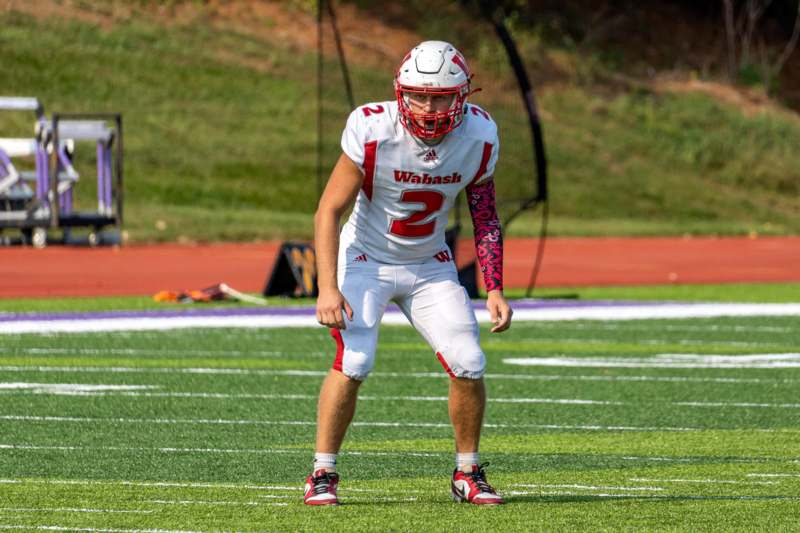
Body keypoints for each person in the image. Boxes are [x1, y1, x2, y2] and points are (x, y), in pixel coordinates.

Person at [305, 40, 512, 506]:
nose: (428, 106)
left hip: (428, 264)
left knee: (469, 359)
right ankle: (322, 472)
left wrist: (495, 286)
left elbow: (485, 215)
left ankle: (468, 472)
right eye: (418, 94)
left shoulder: (480, 136)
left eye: (440, 96)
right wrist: (327, 287)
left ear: (462, 96)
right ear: (401, 92)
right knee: (355, 360)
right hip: (366, 259)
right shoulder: (373, 127)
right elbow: (328, 210)